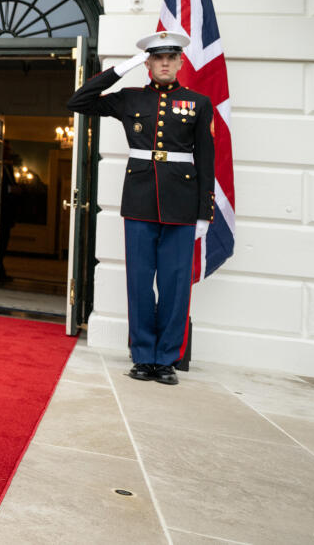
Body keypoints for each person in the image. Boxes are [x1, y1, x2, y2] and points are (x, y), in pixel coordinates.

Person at [66, 29, 214, 386]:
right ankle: (143, 355)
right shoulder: (129, 98)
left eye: (170, 58)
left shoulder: (198, 103)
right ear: (148, 64)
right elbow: (79, 101)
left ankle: (166, 360)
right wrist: (122, 68)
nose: (164, 64)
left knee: (175, 285)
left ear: (180, 62)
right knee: (139, 283)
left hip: (181, 204)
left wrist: (204, 212)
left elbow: (207, 160)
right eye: (156, 58)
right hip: (139, 201)